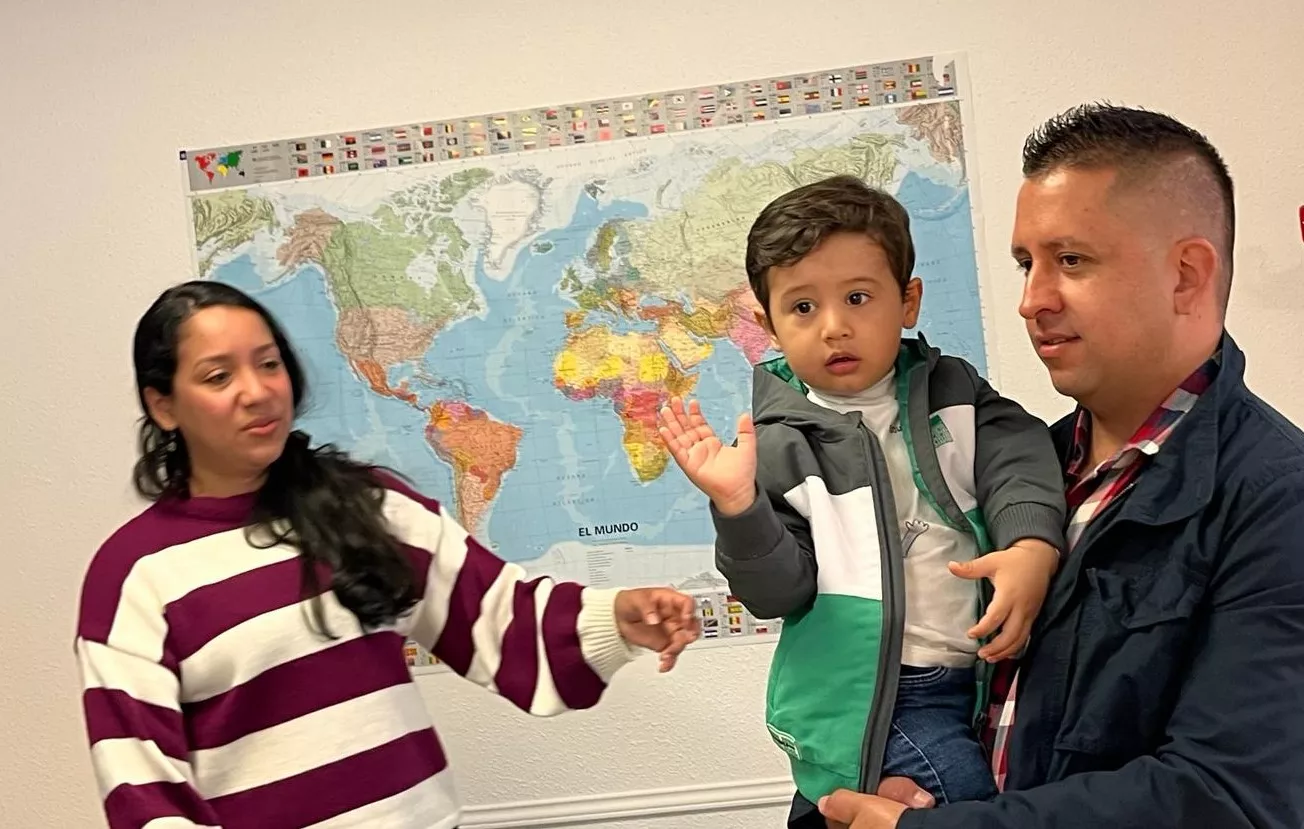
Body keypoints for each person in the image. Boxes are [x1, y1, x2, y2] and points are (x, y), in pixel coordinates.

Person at [814, 104, 1304, 829]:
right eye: (1026, 262)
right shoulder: (1007, 471)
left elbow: (1229, 795)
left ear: (1186, 274)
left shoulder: (1276, 498)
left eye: (1071, 260)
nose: (1031, 300)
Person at [74, 280, 701, 829]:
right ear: (163, 405)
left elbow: (499, 620)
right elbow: (144, 790)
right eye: (218, 376)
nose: (257, 391)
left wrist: (617, 617)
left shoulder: (365, 505)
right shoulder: (135, 574)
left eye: (268, 364)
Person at [656, 175, 1067, 827]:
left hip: (982, 673)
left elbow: (1020, 457)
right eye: (802, 308)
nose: (834, 326)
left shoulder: (954, 391)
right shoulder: (778, 447)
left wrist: (1030, 548)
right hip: (881, 697)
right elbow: (777, 592)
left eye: (857, 297)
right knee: (966, 802)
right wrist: (739, 506)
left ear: (907, 301)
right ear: (767, 325)